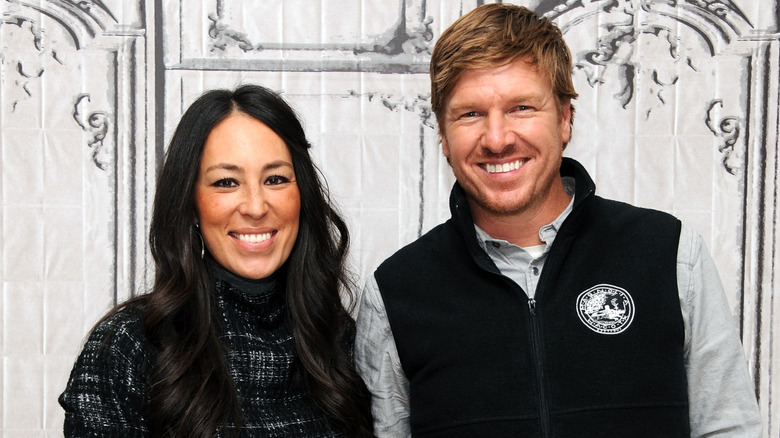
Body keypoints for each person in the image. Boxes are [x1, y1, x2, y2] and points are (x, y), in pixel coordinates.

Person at [354, 4, 761, 437]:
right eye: (470, 113)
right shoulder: (396, 292)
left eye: (522, 107)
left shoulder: (671, 254)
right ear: (442, 134)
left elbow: (728, 427)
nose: (497, 139)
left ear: (565, 117)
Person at [59, 84, 374, 437]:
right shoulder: (131, 346)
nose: (255, 207)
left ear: (302, 194)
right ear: (190, 202)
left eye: (275, 179)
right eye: (226, 182)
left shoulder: (340, 340)